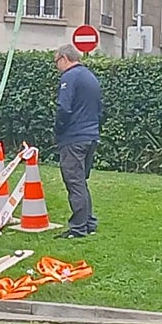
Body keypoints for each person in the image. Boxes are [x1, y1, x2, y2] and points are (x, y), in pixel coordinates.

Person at [54, 44, 103, 238]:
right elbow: (100, 109)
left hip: (74, 137)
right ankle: (89, 222)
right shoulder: (90, 77)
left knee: (74, 182)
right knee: (81, 181)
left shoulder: (69, 77)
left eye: (56, 61)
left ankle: (78, 227)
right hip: (91, 135)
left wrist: (58, 129)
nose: (56, 66)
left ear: (64, 58)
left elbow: (64, 108)